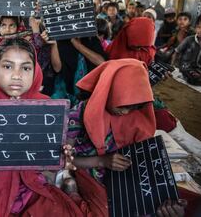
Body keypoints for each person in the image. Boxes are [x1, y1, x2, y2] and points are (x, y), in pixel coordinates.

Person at [0, 38, 87, 216]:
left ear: (35, 72)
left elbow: (49, 168)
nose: (17, 75)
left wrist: (60, 159)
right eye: (8, 66)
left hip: (33, 191)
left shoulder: (48, 110)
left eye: (25, 68)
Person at [66, 59, 189, 217]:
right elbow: (64, 160)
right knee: (103, 212)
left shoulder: (136, 115)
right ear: (107, 91)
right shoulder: (77, 116)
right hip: (90, 171)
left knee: (161, 207)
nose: (126, 113)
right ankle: (72, 193)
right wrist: (102, 161)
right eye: (122, 105)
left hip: (126, 177)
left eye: (133, 107)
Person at [42, 29, 106, 105]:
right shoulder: (60, 39)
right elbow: (57, 68)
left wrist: (78, 45)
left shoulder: (91, 37)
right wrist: (54, 44)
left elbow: (101, 62)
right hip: (66, 90)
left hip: (90, 92)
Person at [171, 15, 201, 85]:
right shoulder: (189, 40)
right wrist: (172, 67)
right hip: (183, 70)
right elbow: (176, 53)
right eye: (199, 27)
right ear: (196, 27)